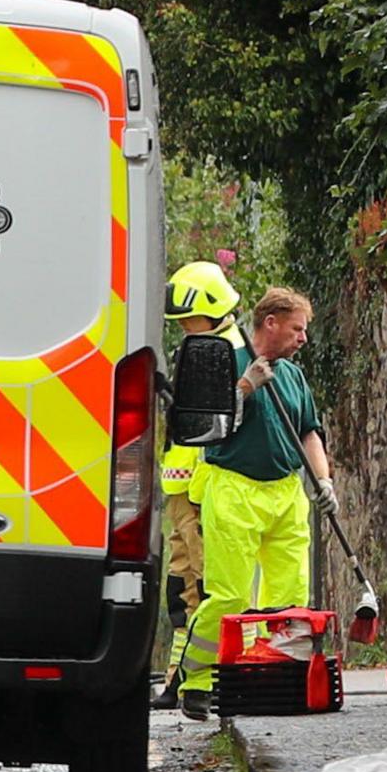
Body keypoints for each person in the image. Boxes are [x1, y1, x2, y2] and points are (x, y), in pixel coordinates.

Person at [178, 286, 338, 720]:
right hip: (235, 488)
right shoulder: (227, 361)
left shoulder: (293, 376)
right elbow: (202, 422)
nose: (303, 338)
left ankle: (270, 676)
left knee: (289, 597)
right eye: (297, 329)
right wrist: (245, 386)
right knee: (229, 595)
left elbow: (309, 432)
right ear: (270, 324)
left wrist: (323, 481)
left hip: (286, 491)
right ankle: (195, 682)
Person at [153, 261, 245, 708]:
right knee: (181, 589)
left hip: (199, 491)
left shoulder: (223, 352)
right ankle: (176, 678)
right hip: (181, 491)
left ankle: (193, 683)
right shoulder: (205, 347)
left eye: (188, 320)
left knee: (199, 591)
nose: (184, 328)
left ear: (212, 309)